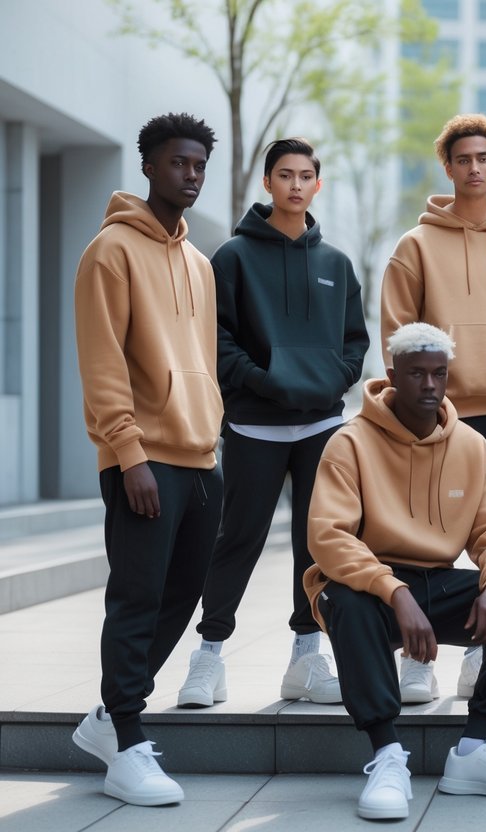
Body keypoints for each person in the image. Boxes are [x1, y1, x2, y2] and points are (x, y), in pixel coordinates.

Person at [305, 322, 486, 821]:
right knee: (347, 601)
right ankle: (386, 754)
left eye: (440, 373)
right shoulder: (349, 442)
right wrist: (394, 592)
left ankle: (475, 750)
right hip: (372, 585)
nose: (431, 385)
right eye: (417, 374)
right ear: (393, 375)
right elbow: (329, 538)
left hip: (436, 580)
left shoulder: (470, 445)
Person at [177, 137, 369, 710]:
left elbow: (355, 343)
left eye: (305, 175)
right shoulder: (232, 257)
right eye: (284, 174)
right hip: (255, 426)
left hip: (321, 427)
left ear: (317, 184)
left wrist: (330, 381)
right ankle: (207, 659)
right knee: (237, 538)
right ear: (267, 183)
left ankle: (307, 658)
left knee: (318, 545)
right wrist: (266, 381)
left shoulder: (336, 262)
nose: (294, 184)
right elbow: (216, 340)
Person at [70, 113, 222, 806]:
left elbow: (204, 364)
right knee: (135, 598)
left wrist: (212, 438)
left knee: (183, 596)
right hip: (143, 458)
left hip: (199, 456)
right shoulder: (110, 252)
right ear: (148, 167)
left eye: (198, 165)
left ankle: (109, 718)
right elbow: (102, 365)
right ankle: (126, 740)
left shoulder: (198, 262)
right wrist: (127, 454)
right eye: (177, 163)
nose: (189, 174)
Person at [380, 114, 486, 702]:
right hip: (439, 420)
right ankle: (416, 659)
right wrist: (410, 413)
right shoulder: (416, 244)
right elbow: (396, 333)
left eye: (483, 158)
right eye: (462, 160)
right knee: (422, 541)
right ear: (448, 167)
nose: (473, 168)